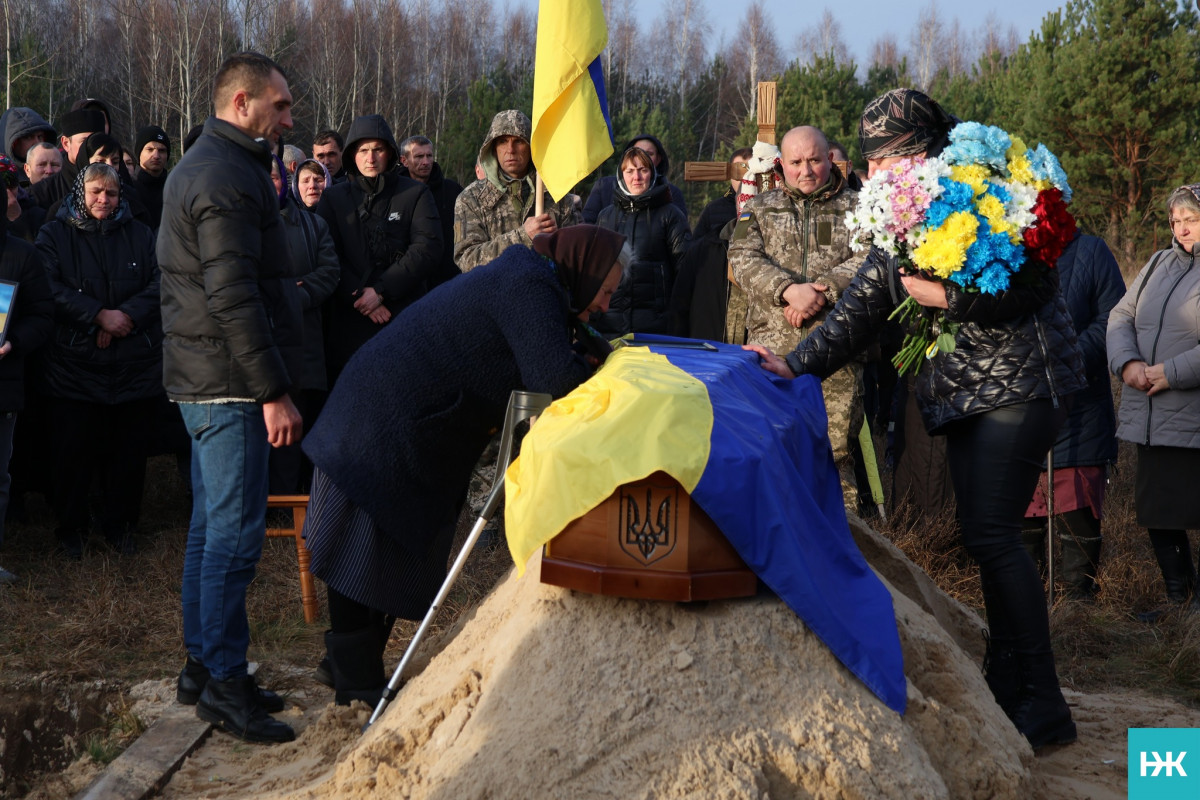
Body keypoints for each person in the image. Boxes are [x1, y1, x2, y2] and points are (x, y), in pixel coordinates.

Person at [746, 88, 1085, 751]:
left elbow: (1038, 283)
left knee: (991, 537)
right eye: (875, 156)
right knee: (984, 536)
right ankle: (1008, 685)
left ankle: (1042, 702)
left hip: (1020, 385)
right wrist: (794, 365)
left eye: (895, 153)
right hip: (970, 395)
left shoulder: (979, 189)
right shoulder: (900, 209)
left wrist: (952, 296)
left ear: (927, 147)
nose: (883, 167)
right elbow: (867, 299)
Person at [301, 224, 626, 705]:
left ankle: (353, 667)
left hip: (404, 421)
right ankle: (356, 684)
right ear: (586, 268)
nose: (604, 303)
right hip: (380, 423)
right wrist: (595, 368)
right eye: (605, 291)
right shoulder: (528, 282)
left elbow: (553, 349)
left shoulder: (538, 281)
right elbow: (553, 376)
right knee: (362, 549)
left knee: (390, 551)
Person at [158, 51, 303, 745]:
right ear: (240, 102)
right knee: (235, 538)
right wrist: (271, 390)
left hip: (209, 379)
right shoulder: (221, 175)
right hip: (229, 386)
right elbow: (233, 296)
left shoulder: (223, 163)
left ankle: (204, 668)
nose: (289, 116)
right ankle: (221, 684)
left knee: (210, 530)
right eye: (279, 105)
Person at [728, 125, 864, 506]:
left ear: (829, 159)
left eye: (815, 160)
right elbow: (741, 259)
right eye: (796, 162)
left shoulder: (859, 208)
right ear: (782, 165)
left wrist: (819, 293)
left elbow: (870, 258)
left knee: (836, 458)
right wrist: (788, 290)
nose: (806, 170)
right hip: (771, 353)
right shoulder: (760, 208)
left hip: (837, 352)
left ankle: (845, 553)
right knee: (771, 454)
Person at [35, 163, 162, 557]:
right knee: (73, 452)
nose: (103, 200)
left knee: (128, 453)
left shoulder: (141, 235)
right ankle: (71, 528)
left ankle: (121, 525)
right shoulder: (55, 234)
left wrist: (122, 317)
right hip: (74, 364)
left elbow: (162, 281)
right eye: (95, 192)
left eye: (110, 193)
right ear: (80, 193)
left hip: (132, 362)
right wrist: (96, 316)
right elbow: (47, 286)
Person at [1107, 184, 1200, 614]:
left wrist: (1171, 372)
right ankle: (1180, 602)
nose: (1181, 230)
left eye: (1191, 220)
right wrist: (1127, 364)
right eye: (1175, 221)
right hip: (1151, 412)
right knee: (1157, 510)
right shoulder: (1160, 262)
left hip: (1191, 414)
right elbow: (1121, 315)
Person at [1021, 233, 1124, 600]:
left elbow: (1115, 316)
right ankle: (1029, 601)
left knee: (1076, 497)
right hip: (1021, 401)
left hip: (1080, 404)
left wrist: (1070, 355)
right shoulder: (1004, 247)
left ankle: (1078, 605)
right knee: (1024, 502)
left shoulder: (1091, 251)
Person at [314, 114, 442, 380]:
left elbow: (427, 248)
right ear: (352, 155)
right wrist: (363, 299)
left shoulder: (415, 194)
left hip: (403, 319)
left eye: (377, 149)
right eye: (362, 150)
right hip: (350, 325)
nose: (370, 158)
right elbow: (327, 255)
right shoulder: (333, 198)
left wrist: (382, 291)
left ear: (390, 153)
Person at [268, 156, 339, 494]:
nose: (270, 184)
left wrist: (296, 295)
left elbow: (329, 273)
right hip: (254, 345)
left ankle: (295, 503)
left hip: (302, 342)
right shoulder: (237, 226)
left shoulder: (314, 226)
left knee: (299, 425)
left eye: (275, 177)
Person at [0, 164, 54, 584]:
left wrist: (12, 342)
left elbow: (42, 315)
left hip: (4, 381)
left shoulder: (22, 255)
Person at [453, 109, 579, 272]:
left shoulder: (556, 194)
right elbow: (467, 259)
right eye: (503, 141)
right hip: (495, 294)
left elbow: (577, 254)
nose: (510, 149)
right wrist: (522, 236)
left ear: (531, 147)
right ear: (493, 148)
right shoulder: (470, 199)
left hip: (546, 293)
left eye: (518, 141)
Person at [592, 145, 690, 336]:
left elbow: (685, 272)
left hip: (657, 326)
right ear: (621, 176)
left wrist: (680, 319)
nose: (636, 177)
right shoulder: (605, 216)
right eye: (630, 171)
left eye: (643, 170)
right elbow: (596, 271)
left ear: (651, 174)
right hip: (611, 325)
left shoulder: (670, 215)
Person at [399, 134, 463, 286]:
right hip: (407, 280)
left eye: (429, 155)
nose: (426, 162)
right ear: (404, 161)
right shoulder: (394, 193)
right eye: (419, 156)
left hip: (447, 280)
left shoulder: (452, 191)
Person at [582, 133, 688, 224]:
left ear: (658, 159)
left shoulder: (671, 193)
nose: (642, 157)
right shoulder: (604, 187)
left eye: (649, 154)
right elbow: (587, 226)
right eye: (638, 152)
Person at [31, 108, 106, 211]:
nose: (91, 147)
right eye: (84, 141)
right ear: (66, 143)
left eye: (96, 142)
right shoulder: (41, 193)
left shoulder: (120, 186)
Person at [692, 147, 752, 240]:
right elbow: (696, 249)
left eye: (749, 172)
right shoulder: (713, 210)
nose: (744, 178)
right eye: (738, 172)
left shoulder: (768, 206)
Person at [133, 125, 171, 228]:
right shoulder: (129, 190)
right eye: (150, 149)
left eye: (162, 150)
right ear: (139, 152)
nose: (156, 156)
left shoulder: (174, 188)